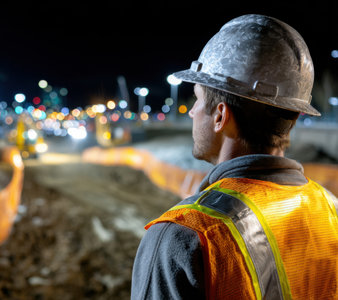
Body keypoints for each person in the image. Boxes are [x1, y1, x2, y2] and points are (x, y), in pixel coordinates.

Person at [131, 14, 338, 300]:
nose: (191, 112)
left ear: (220, 116)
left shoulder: (186, 236)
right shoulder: (331, 210)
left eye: (197, 99)